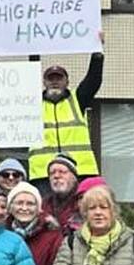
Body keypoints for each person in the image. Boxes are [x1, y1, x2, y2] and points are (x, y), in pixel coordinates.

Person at [28, 50, 103, 189]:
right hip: (43, 174)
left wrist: (97, 54)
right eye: (51, 79)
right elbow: (27, 75)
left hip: (80, 171)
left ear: (67, 82)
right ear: (44, 82)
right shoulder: (33, 103)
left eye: (59, 78)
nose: (55, 82)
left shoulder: (78, 99)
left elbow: (93, 80)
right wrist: (33, 49)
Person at [42, 153, 80, 235]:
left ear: (74, 177)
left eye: (62, 172)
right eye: (52, 173)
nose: (56, 176)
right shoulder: (44, 204)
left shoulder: (82, 201)